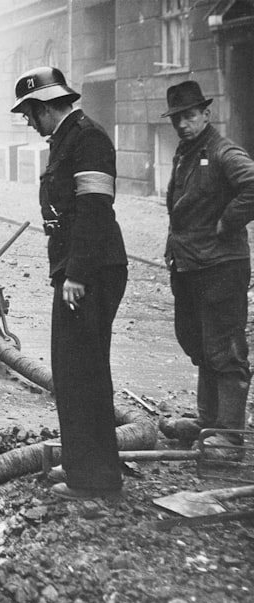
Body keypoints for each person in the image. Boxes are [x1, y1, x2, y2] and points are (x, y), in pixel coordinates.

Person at [11, 66, 128, 500]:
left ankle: (95, 479)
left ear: (44, 107)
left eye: (29, 113)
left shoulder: (88, 138)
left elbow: (95, 208)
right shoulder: (67, 138)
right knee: (72, 370)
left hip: (92, 270)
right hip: (78, 267)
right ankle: (84, 467)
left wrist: (76, 274)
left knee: (84, 372)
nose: (28, 121)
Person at [157, 80, 254, 456]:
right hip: (190, 265)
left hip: (220, 267)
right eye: (177, 118)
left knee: (226, 348)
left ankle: (229, 437)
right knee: (198, 342)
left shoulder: (222, 151)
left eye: (190, 115)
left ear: (206, 114)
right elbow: (182, 207)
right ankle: (207, 420)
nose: (182, 123)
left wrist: (228, 222)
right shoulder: (186, 152)